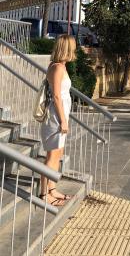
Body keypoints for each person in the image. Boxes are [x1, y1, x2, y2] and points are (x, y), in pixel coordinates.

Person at [40, 34, 75, 206]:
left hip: (59, 116)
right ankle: (44, 194)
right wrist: (63, 121)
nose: (74, 51)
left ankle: (52, 189)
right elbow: (56, 96)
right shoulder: (58, 68)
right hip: (55, 118)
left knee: (57, 154)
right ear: (67, 49)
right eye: (73, 48)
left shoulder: (60, 66)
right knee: (52, 156)